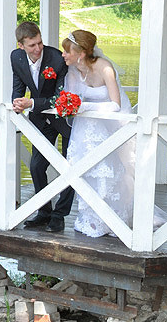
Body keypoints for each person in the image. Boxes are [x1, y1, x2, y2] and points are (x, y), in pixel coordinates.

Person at [60, 30, 137, 238]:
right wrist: (68, 105)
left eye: (67, 51)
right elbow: (72, 98)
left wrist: (83, 107)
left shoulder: (105, 68)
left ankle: (112, 218)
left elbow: (115, 105)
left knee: (107, 172)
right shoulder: (74, 70)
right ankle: (91, 218)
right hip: (83, 128)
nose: (63, 55)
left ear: (81, 53)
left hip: (107, 128)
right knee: (84, 171)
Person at [11, 21, 73, 232]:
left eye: (40, 43)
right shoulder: (16, 57)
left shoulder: (57, 59)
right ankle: (44, 212)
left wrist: (33, 103)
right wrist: (17, 102)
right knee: (37, 166)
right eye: (32, 45)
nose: (38, 49)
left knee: (69, 168)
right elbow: (18, 86)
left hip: (66, 120)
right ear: (21, 46)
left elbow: (60, 97)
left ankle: (60, 215)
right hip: (40, 120)